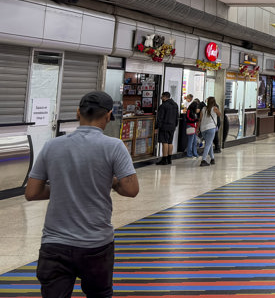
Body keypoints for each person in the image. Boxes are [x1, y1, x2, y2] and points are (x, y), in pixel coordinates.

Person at [25, 91, 139, 297]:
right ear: (108, 116)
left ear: (78, 112)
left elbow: (32, 192)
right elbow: (131, 190)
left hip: (54, 243)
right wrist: (111, 182)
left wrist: (63, 187)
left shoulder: (52, 145)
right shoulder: (114, 146)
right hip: (97, 244)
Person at [155, 91, 178, 165]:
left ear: (165, 97)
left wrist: (157, 127)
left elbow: (160, 118)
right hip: (172, 126)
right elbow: (177, 116)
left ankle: (164, 159)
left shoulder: (163, 106)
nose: (161, 98)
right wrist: (175, 125)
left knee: (164, 142)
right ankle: (169, 159)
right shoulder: (175, 105)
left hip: (164, 126)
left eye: (162, 96)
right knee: (170, 142)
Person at [199, 96, 221, 167]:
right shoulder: (215, 108)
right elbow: (219, 114)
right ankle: (203, 160)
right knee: (208, 144)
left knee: (209, 143)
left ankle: (212, 159)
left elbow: (200, 119)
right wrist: (217, 109)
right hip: (211, 128)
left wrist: (197, 129)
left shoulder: (203, 109)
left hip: (203, 128)